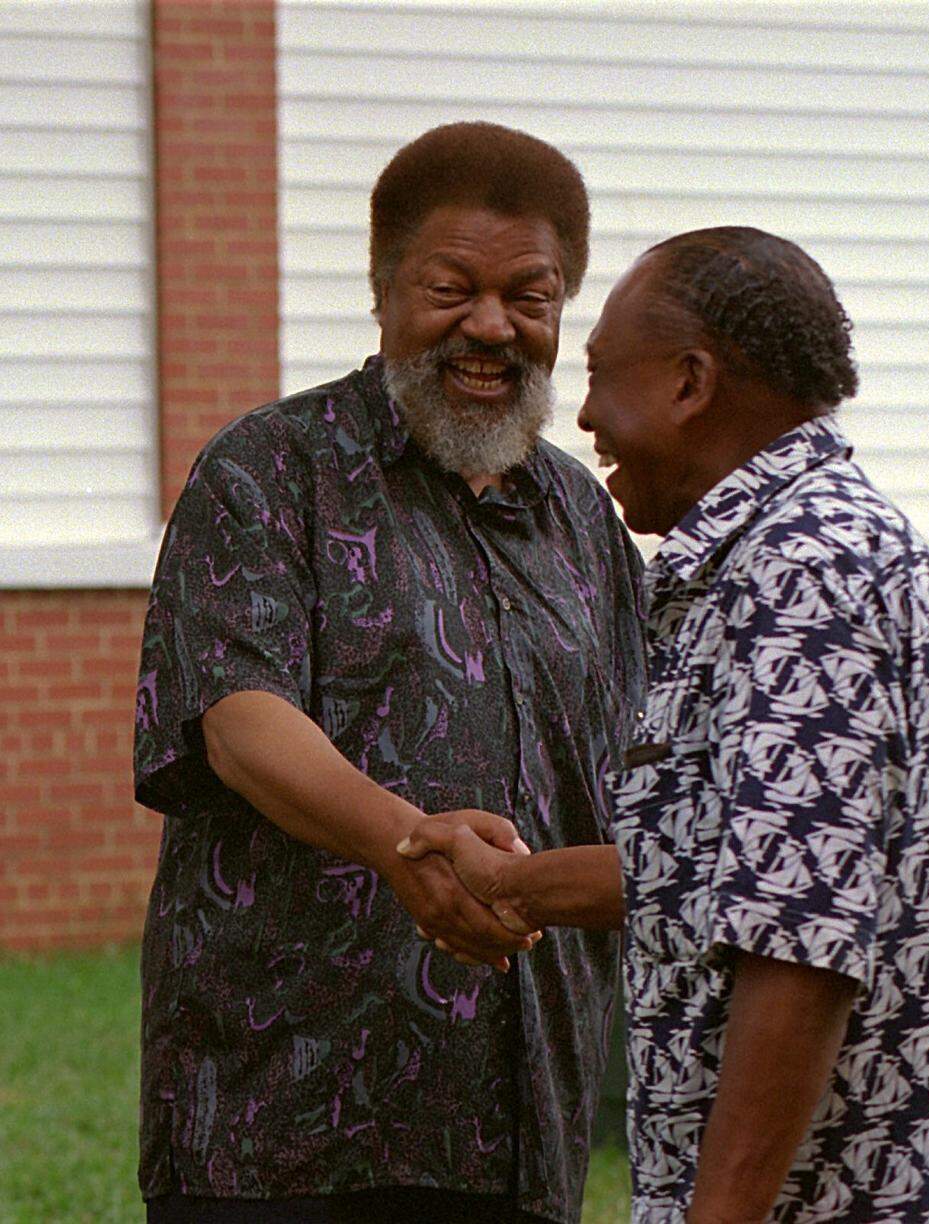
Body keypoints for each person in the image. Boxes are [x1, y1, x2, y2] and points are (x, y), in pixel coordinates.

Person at [401, 227, 929, 1221]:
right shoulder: (793, 551)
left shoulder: (804, 574)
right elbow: (734, 869)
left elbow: (797, 950)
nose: (587, 414)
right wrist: (512, 886)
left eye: (604, 376)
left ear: (692, 383)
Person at [132, 122, 645, 1224]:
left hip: (514, 1116)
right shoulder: (269, 471)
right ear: (383, 289)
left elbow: (629, 763)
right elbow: (236, 716)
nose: (491, 328)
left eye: (532, 297)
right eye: (451, 288)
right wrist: (408, 844)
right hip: (280, 1114)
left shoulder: (585, 518)